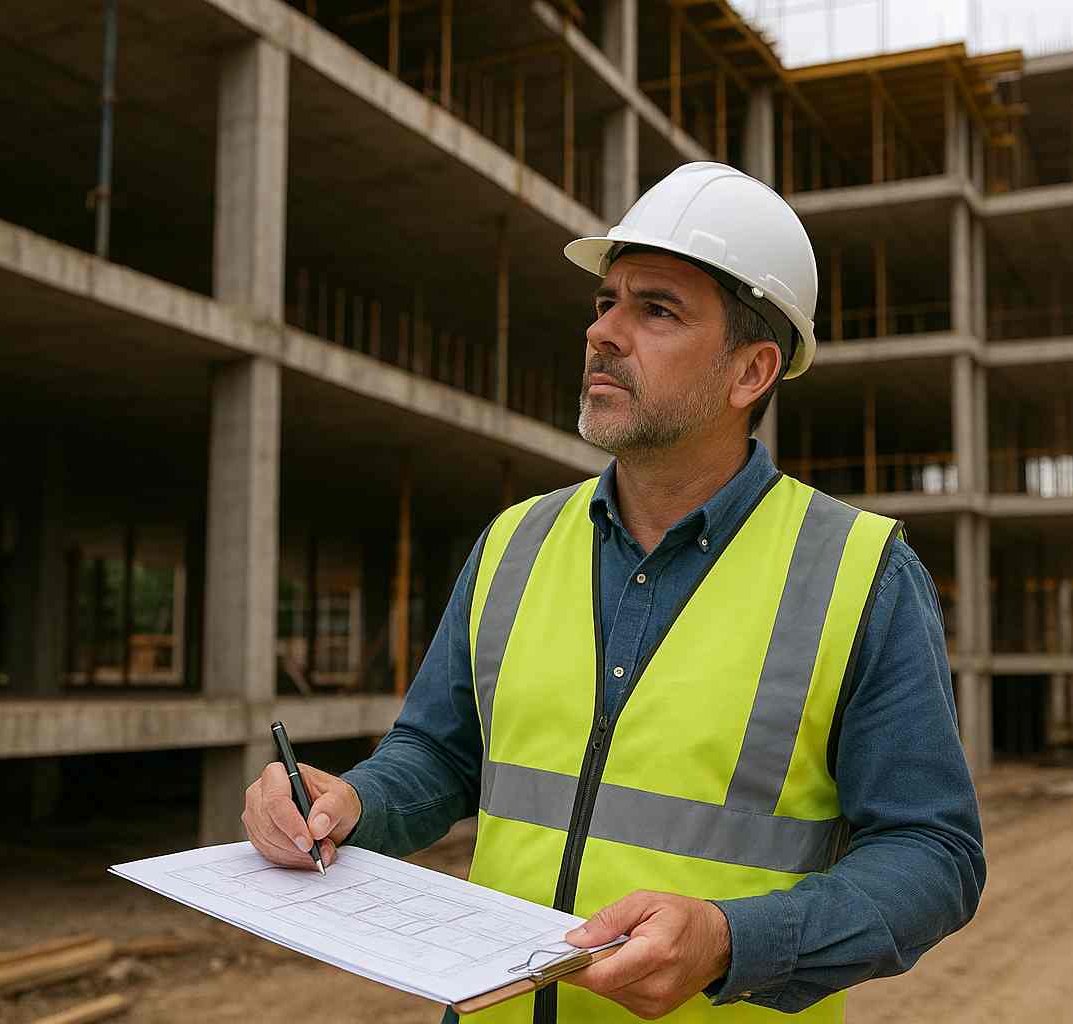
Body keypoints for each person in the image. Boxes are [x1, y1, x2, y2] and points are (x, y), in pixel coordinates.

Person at [241, 162, 985, 1022]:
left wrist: (733, 941)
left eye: (656, 309)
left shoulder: (861, 573)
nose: (604, 332)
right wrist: (352, 802)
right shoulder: (513, 543)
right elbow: (441, 755)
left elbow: (933, 855)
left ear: (751, 372)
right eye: (606, 302)